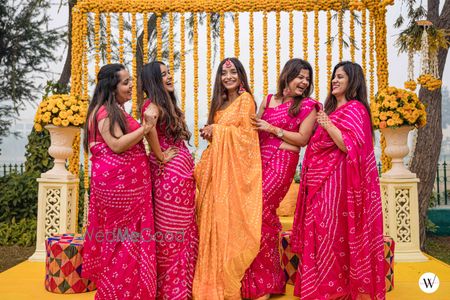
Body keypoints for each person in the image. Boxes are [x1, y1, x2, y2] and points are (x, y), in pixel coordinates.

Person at [291, 61, 385, 299]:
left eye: (340, 76)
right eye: (333, 76)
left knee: (332, 235)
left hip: (339, 185)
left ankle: (337, 289)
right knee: (318, 232)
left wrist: (327, 124)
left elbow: (348, 145)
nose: (334, 80)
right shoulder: (329, 111)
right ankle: (319, 288)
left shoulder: (356, 110)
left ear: (352, 81)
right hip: (318, 183)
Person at [241, 58, 319, 300]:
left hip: (283, 162)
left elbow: (303, 138)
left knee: (262, 209)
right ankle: (254, 279)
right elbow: (251, 127)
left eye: (308, 79)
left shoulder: (309, 106)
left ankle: (265, 283)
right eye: (300, 77)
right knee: (252, 214)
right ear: (288, 75)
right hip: (258, 161)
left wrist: (273, 129)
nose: (304, 83)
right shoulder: (267, 100)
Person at [82, 63, 158, 299]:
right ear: (111, 87)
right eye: (125, 82)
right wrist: (145, 128)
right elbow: (116, 145)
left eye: (130, 81)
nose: (130, 86)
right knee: (123, 244)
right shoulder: (106, 111)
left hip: (120, 189)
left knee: (120, 243)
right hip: (121, 192)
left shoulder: (110, 109)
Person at [193, 58, 262, 300]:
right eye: (224, 73)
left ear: (241, 76)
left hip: (232, 177)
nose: (228, 77)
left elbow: (247, 139)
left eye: (233, 72)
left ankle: (226, 284)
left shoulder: (246, 101)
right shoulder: (220, 103)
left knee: (230, 227)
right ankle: (211, 286)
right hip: (215, 173)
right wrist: (211, 132)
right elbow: (223, 136)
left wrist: (218, 131)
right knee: (211, 225)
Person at [140, 61, 199, 300]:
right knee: (171, 234)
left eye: (169, 73)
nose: (169, 77)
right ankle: (173, 291)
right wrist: (160, 154)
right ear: (154, 81)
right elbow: (149, 122)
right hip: (169, 177)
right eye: (163, 75)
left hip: (180, 176)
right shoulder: (152, 105)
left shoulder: (166, 103)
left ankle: (179, 289)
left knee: (180, 233)